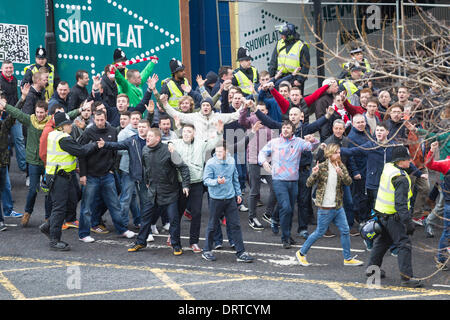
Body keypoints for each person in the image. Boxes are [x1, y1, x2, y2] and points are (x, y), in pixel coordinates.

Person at [38, 111, 101, 251]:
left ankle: (48, 226)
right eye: (68, 124)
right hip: (59, 177)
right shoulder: (63, 138)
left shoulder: (57, 135)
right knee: (59, 208)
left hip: (63, 175)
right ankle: (54, 240)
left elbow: (74, 146)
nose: (71, 125)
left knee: (73, 198)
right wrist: (95, 145)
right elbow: (80, 151)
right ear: (61, 126)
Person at [295, 144, 364, 267]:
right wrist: (314, 173)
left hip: (337, 206)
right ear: (329, 154)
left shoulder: (340, 166)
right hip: (325, 207)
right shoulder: (321, 167)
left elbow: (349, 182)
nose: (339, 155)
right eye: (336, 153)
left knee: (345, 230)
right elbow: (308, 183)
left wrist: (341, 174)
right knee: (319, 232)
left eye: (339, 152)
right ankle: (301, 253)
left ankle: (347, 258)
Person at [366, 146, 423, 288]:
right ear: (400, 161)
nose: (410, 161)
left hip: (381, 212)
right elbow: (401, 204)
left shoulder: (388, 167)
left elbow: (407, 168)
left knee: (382, 241)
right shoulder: (401, 179)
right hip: (393, 216)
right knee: (404, 244)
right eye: (407, 159)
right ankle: (407, 278)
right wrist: (408, 223)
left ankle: (372, 269)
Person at [128, 128, 190, 255]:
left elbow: (183, 167)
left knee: (173, 220)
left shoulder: (169, 151)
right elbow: (145, 167)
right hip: (153, 192)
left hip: (170, 192)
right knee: (145, 218)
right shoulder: (145, 150)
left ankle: (176, 245)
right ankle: (140, 242)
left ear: (158, 138)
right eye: (147, 136)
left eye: (150, 136)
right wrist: (147, 180)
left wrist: (185, 185)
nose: (147, 138)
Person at [258, 120, 319, 248]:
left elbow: (312, 147)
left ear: (292, 130)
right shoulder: (274, 142)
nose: (285, 130)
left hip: (293, 181)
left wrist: (313, 140)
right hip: (279, 180)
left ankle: (287, 235)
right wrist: (263, 162)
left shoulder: (298, 142)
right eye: (283, 127)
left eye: (288, 128)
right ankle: (285, 238)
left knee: (290, 210)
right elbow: (262, 153)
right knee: (286, 208)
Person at [78, 110, 136, 242]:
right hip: (91, 175)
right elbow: (81, 153)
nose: (99, 122)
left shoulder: (112, 131)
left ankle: (122, 230)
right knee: (86, 207)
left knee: (114, 204)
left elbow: (115, 151)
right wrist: (83, 174)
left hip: (107, 175)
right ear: (94, 119)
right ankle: (84, 234)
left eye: (101, 120)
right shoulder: (88, 132)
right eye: (97, 120)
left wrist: (111, 169)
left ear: (106, 119)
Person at [168, 121, 224, 252]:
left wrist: (219, 132)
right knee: (177, 213)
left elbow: (214, 143)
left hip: (197, 183)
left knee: (197, 213)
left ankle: (194, 242)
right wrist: (170, 143)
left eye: (189, 131)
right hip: (180, 183)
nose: (186, 134)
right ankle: (172, 236)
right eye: (185, 131)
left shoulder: (201, 143)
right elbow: (165, 143)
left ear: (194, 133)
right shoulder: (176, 143)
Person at [1, 98, 51, 227]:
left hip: (47, 163)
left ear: (46, 112)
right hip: (33, 163)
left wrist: (80, 110)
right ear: (35, 111)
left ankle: (48, 218)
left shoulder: (51, 122)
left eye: (42, 112)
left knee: (48, 192)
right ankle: (27, 213)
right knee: (33, 190)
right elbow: (17, 113)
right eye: (37, 112)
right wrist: (6, 106)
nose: (39, 115)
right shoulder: (30, 120)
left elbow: (68, 116)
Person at [202, 143, 254, 263]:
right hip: (216, 199)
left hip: (230, 198)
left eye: (221, 152)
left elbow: (235, 178)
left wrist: (238, 194)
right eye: (217, 152)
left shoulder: (231, 161)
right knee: (212, 225)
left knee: (235, 225)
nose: (218, 154)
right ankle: (206, 250)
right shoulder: (211, 163)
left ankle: (241, 252)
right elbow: (206, 180)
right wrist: (217, 181)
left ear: (226, 152)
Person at [425, 141, 449, 271]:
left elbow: (430, 164)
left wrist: (432, 152)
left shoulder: (446, 163)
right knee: (447, 233)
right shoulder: (447, 163)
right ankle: (441, 260)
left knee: (447, 233)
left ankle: (441, 260)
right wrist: (432, 151)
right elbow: (429, 165)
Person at [269, 23, 310, 95]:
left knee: (295, 100)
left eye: (283, 35)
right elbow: (273, 61)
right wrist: (271, 75)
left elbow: (305, 66)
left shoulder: (301, 46)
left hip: (294, 79)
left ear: (289, 36)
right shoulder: (279, 43)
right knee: (280, 101)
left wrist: (299, 80)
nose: (281, 36)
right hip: (280, 77)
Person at [0, 95, 18, 231]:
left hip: (3, 163)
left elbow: (14, 116)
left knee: (6, 187)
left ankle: (7, 211)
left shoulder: (3, 123)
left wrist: (23, 98)